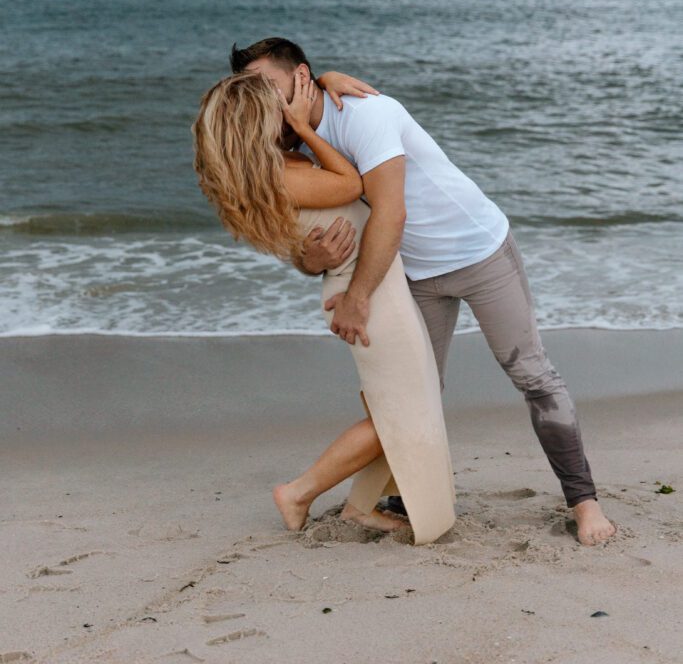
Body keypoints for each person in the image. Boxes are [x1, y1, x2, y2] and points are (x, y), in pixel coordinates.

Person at [230, 37, 617, 548]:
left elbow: (391, 213)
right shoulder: (291, 149)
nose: (265, 104)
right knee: (410, 397)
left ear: (302, 76)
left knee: (532, 374)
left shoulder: (365, 114)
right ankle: (387, 500)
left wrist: (356, 298)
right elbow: (310, 242)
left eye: (271, 87)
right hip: (412, 274)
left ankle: (583, 502)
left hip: (479, 251)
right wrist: (311, 261)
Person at [191, 69, 456, 545]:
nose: (288, 108)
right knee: (401, 412)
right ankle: (297, 493)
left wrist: (326, 76)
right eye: (278, 104)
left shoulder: (274, 167)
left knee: (394, 406)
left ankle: (358, 510)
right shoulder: (283, 176)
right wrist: (311, 128)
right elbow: (351, 184)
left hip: (368, 288)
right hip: (366, 298)